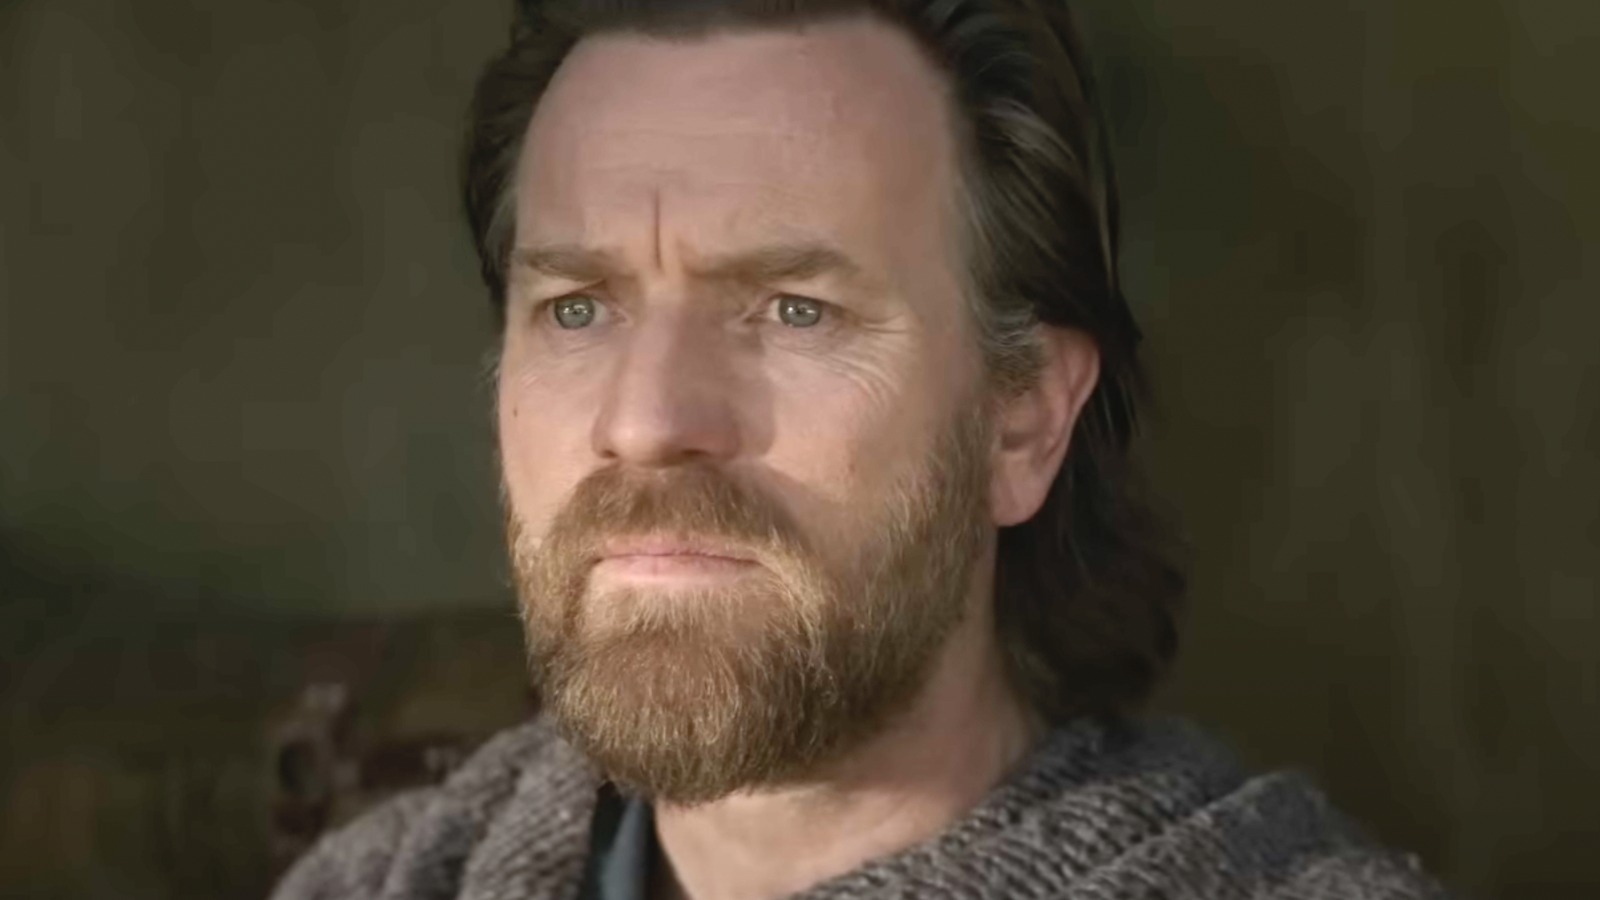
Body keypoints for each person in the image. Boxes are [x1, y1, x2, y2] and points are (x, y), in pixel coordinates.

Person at [272, 1, 1451, 897]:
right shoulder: (381, 880)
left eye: (795, 309)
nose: (645, 421)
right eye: (577, 309)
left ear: (1022, 417)